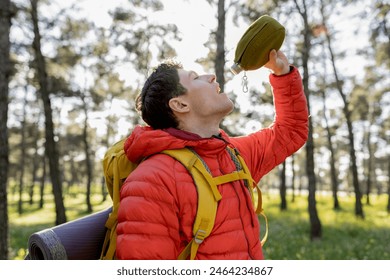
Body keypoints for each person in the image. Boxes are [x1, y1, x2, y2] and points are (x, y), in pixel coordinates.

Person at [116, 49, 309, 260]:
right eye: (196, 78)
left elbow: (290, 131)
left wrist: (282, 74)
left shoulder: (233, 155)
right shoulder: (151, 181)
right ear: (180, 104)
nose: (211, 76)